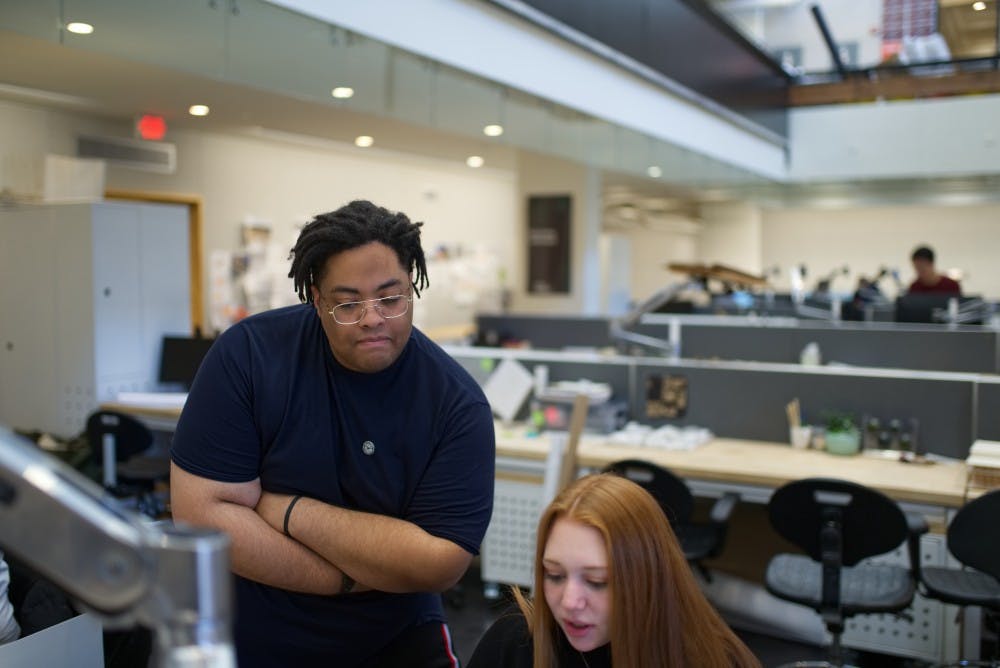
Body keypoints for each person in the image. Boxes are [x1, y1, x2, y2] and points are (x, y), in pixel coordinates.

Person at [170, 200, 496, 667]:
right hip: (253, 634)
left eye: (390, 297)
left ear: (413, 287)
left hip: (393, 636)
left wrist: (287, 509)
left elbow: (440, 560)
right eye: (347, 303)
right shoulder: (250, 356)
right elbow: (202, 515)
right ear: (318, 301)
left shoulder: (455, 403)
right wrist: (344, 579)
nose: (372, 318)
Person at [467, 474, 760, 668]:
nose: (570, 602)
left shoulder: (711, 658)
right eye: (554, 575)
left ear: (648, 579)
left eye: (597, 581)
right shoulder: (515, 644)